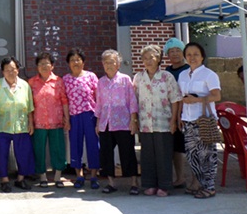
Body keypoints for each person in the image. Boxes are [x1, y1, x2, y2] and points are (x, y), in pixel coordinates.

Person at [134, 45, 182, 197]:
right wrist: (134, 120)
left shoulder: (167, 77)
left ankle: (164, 185)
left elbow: (175, 99)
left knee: (163, 155)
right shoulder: (138, 78)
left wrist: (174, 120)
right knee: (147, 155)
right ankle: (149, 184)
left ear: (159, 59)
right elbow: (134, 101)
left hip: (164, 122)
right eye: (145, 58)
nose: (148, 61)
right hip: (145, 123)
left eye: (151, 57)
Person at [178, 41, 222, 199]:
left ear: (202, 56)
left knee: (207, 155)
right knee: (192, 155)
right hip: (188, 120)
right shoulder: (183, 75)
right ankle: (198, 183)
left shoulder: (209, 75)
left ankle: (209, 187)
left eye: (196, 54)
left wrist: (196, 100)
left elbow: (216, 96)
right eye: (189, 54)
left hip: (203, 120)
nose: (192, 57)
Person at [95, 49, 140, 195]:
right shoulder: (100, 82)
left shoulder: (125, 79)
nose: (109, 65)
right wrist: (98, 123)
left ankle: (133, 182)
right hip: (106, 123)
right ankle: (111, 183)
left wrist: (134, 120)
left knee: (127, 152)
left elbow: (132, 101)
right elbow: (99, 103)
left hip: (123, 122)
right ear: (102, 64)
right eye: (106, 62)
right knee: (106, 153)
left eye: (112, 62)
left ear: (118, 64)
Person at [0, 56, 35, 192]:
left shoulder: (24, 85)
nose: (11, 72)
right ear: (2, 71)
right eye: (7, 70)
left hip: (21, 125)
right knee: (2, 153)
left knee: (23, 152)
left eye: (13, 69)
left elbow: (29, 106)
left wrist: (31, 123)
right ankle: (4, 180)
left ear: (18, 70)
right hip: (2, 125)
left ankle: (21, 179)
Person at [28, 52, 70, 188]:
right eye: (40, 64)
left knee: (58, 149)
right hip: (38, 122)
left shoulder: (58, 81)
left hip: (56, 121)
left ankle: (58, 176)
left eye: (46, 63)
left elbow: (64, 101)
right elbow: (29, 104)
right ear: (37, 67)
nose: (44, 66)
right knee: (39, 149)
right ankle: (43, 177)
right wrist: (30, 123)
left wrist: (67, 118)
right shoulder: (32, 82)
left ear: (52, 66)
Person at [62, 48, 101, 190]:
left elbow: (98, 97)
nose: (75, 62)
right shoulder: (65, 79)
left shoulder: (91, 76)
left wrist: (99, 118)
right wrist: (66, 119)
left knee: (93, 145)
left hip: (90, 115)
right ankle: (79, 175)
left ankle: (94, 176)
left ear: (83, 62)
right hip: (74, 116)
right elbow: (64, 100)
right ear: (68, 64)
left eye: (78, 59)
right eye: (72, 60)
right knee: (75, 145)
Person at [164, 37, 191, 190]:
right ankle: (180, 178)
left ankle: (196, 180)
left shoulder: (188, 70)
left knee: (191, 148)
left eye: (177, 50)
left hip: (187, 115)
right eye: (171, 51)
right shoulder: (167, 72)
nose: (174, 54)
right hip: (171, 115)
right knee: (175, 149)